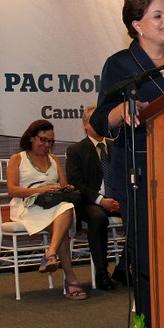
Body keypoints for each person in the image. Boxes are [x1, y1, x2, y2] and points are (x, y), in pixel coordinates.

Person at [90, 0, 164, 328]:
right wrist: (119, 112)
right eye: (158, 15)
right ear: (138, 24)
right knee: (147, 255)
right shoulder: (121, 64)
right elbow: (99, 119)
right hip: (141, 170)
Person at [7, 120, 87, 300]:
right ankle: (70, 278)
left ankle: (50, 254)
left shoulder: (54, 159)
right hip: (28, 205)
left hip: (53, 204)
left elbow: (64, 185)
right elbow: (12, 190)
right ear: (31, 138)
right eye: (42, 140)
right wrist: (39, 190)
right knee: (63, 222)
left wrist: (66, 189)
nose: (46, 145)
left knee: (65, 207)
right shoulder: (17, 159)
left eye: (50, 141)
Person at [66, 105, 122, 290]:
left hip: (117, 200)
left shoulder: (117, 146)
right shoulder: (76, 150)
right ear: (85, 125)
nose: (98, 124)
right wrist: (100, 200)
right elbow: (76, 184)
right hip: (90, 202)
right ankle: (102, 273)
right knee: (98, 218)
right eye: (93, 120)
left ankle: (123, 267)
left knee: (141, 215)